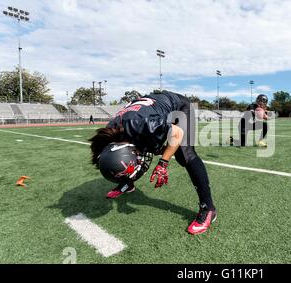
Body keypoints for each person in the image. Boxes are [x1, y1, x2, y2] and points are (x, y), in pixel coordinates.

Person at [89, 90, 217, 235]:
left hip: (179, 107)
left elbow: (178, 134)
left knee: (185, 155)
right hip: (147, 115)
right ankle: (127, 183)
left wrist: (163, 163)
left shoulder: (144, 125)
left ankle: (208, 208)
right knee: (140, 152)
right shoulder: (110, 131)